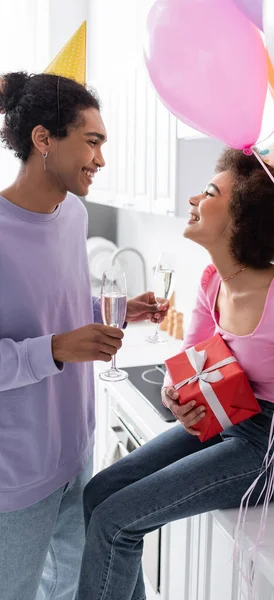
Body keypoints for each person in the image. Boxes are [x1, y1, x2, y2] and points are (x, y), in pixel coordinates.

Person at [75, 141, 274, 600]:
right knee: (99, 493)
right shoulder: (212, 281)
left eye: (208, 193)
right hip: (228, 416)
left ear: (241, 219)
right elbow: (190, 357)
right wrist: (173, 395)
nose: (193, 200)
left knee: (114, 520)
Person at [0, 72, 167, 600]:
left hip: (77, 452)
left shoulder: (73, 213)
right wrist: (53, 350)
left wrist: (117, 312)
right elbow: (48, 339)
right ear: (43, 139)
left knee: (73, 590)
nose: (100, 158)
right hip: (17, 475)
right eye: (91, 141)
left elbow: (57, 309)